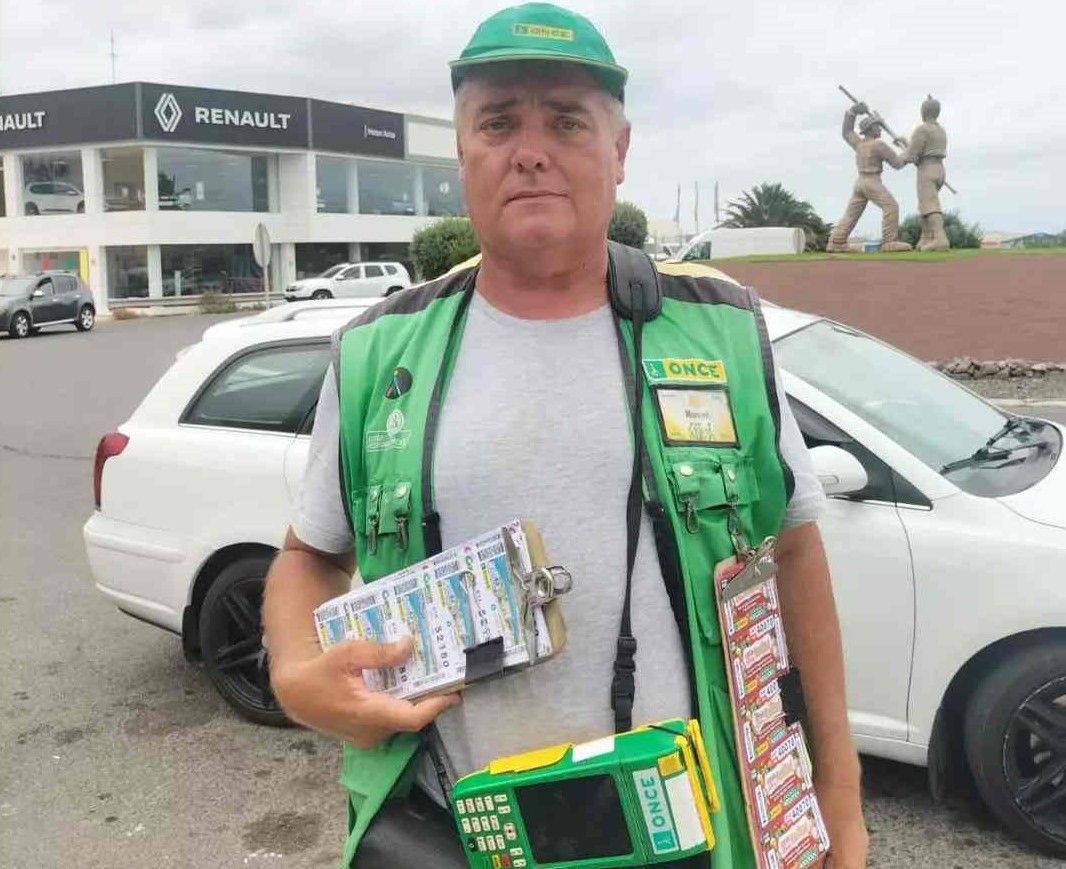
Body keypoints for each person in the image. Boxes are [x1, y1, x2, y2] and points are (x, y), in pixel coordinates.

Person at [263, 4, 868, 867]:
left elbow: (796, 554)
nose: (530, 150)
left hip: (695, 837)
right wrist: (295, 673)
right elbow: (308, 556)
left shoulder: (724, 331)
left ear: (619, 150)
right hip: (458, 837)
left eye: (566, 120)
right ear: (462, 153)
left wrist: (839, 797)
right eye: (498, 123)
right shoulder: (378, 354)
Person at [826, 102, 912, 253]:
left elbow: (847, 131)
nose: (880, 129)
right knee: (891, 207)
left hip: (860, 183)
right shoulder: (879, 145)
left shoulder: (859, 144)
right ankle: (890, 241)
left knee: (851, 214)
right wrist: (908, 151)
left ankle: (837, 242)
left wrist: (852, 112)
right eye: (878, 126)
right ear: (871, 128)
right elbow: (898, 164)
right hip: (872, 181)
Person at [899, 95, 950, 251]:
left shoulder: (922, 129)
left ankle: (940, 238)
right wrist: (905, 143)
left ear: (924, 111)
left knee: (930, 205)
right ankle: (925, 238)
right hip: (939, 169)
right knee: (925, 205)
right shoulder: (940, 130)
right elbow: (921, 151)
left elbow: (913, 156)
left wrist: (902, 153)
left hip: (927, 169)